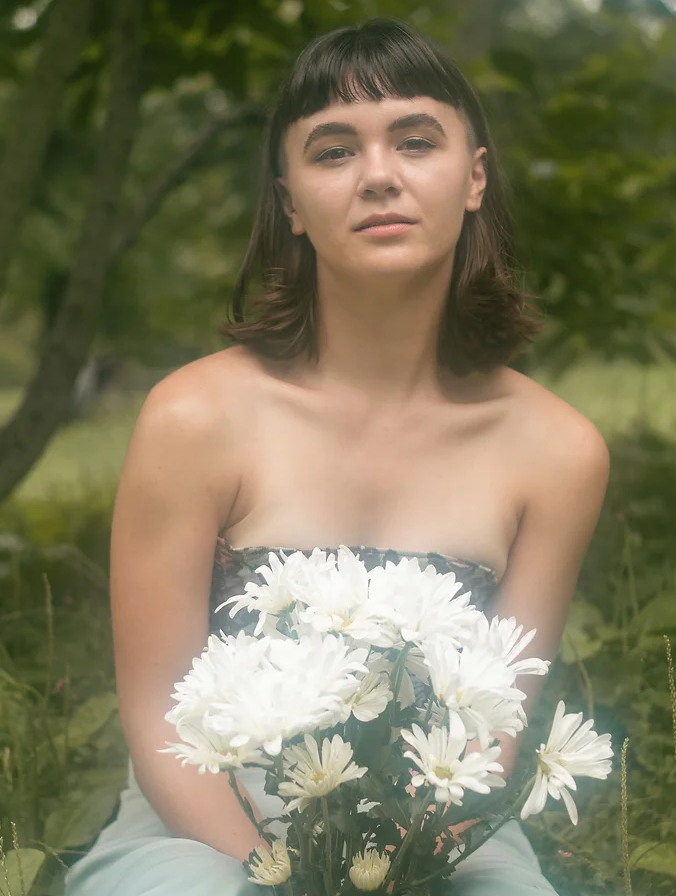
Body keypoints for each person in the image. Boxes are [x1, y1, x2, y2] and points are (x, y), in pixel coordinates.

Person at [63, 17, 609, 896]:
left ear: (473, 180)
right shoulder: (193, 418)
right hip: (204, 824)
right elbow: (163, 720)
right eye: (332, 151)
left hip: (445, 830)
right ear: (289, 202)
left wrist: (403, 873)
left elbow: (496, 736)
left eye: (416, 141)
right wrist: (280, 877)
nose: (380, 176)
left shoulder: (557, 451)